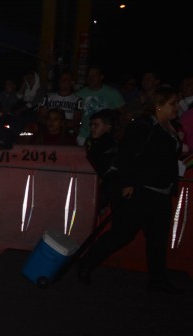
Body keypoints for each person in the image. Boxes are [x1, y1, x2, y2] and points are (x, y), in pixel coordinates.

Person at [76, 86, 184, 293]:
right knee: (121, 234)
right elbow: (126, 156)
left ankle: (158, 281)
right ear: (158, 105)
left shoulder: (170, 127)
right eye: (172, 103)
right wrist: (127, 183)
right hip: (140, 191)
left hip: (161, 192)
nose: (176, 107)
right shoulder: (144, 126)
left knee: (158, 239)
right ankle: (86, 263)